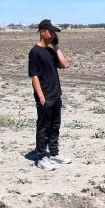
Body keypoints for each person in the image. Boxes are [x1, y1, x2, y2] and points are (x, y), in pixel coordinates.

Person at [28, 19, 70, 171]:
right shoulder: (35, 52)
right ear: (42, 32)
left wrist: (56, 46)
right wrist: (41, 97)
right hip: (45, 96)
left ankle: (54, 153)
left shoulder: (51, 51)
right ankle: (41, 157)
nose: (52, 34)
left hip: (55, 94)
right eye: (50, 32)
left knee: (55, 126)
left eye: (54, 33)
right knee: (43, 127)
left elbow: (65, 65)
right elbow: (34, 76)